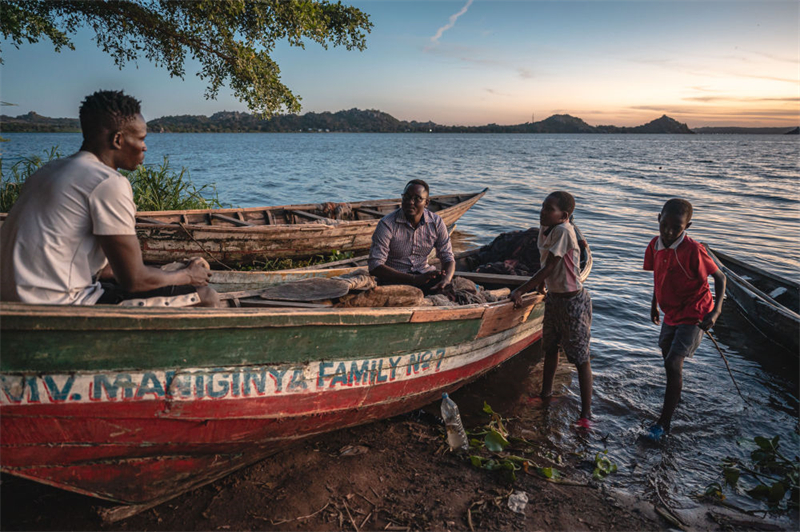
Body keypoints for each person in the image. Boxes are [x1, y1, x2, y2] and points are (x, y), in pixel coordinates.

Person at [0, 90, 220, 307]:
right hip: (58, 306)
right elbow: (134, 280)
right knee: (207, 296)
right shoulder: (107, 182)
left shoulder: (47, 171)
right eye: (141, 139)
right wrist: (188, 276)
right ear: (118, 139)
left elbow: (101, 269)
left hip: (14, 300)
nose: (144, 147)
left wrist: (164, 272)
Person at [643, 198, 726, 441]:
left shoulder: (693, 250)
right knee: (666, 354)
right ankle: (675, 397)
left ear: (687, 226)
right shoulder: (654, 245)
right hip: (671, 311)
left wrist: (716, 312)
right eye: (665, 224)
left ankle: (663, 423)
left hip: (695, 312)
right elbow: (659, 277)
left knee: (673, 362)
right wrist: (654, 304)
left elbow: (721, 278)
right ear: (658, 218)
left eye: (676, 227)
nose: (669, 231)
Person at [510, 191, 593, 426]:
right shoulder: (548, 230)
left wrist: (521, 290)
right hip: (555, 299)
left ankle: (586, 415)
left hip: (572, 301)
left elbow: (549, 267)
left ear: (564, 215)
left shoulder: (565, 231)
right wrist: (543, 287)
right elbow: (547, 267)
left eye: (549, 209)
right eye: (543, 207)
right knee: (550, 348)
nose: (542, 212)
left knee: (580, 357)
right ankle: (546, 395)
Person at [368, 179, 455, 293]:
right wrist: (414, 279)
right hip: (394, 280)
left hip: (424, 275)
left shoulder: (436, 222)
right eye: (407, 197)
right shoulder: (387, 224)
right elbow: (375, 266)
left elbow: (448, 257)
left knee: (452, 291)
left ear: (426, 203)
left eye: (417, 199)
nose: (410, 202)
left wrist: (446, 280)